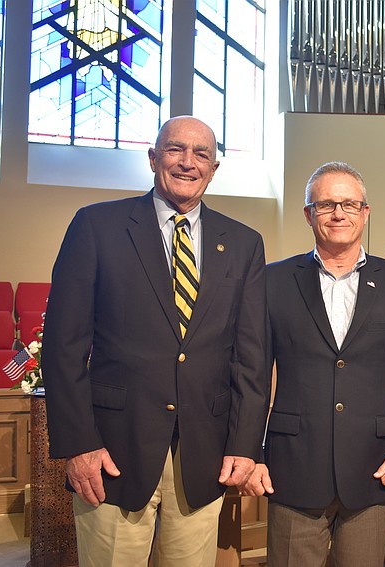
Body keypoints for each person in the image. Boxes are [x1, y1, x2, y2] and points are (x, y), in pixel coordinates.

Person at [43, 116, 269, 566]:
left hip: (202, 457)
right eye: (175, 150)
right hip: (111, 453)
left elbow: (252, 358)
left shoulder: (243, 243)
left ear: (215, 167)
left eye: (201, 153)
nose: (188, 162)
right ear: (152, 158)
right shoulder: (96, 227)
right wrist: (78, 444)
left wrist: (245, 445)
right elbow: (62, 346)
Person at [241, 161, 385, 567]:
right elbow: (253, 374)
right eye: (326, 204)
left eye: (349, 204)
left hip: (375, 465)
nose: (338, 213)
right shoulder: (273, 281)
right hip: (293, 464)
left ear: (366, 212)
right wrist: (250, 452)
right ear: (309, 213)